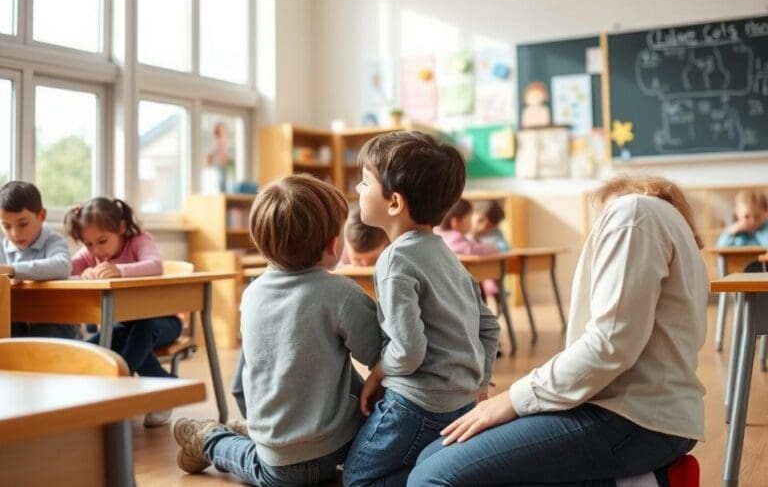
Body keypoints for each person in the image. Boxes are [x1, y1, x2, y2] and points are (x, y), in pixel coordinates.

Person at [407, 175, 707, 486]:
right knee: (431, 458)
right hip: (643, 416)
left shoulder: (632, 213)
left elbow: (610, 344)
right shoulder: (664, 223)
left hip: (635, 418)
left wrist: (513, 398)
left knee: (433, 476)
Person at [172, 174, 382, 486]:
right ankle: (210, 440)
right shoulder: (341, 293)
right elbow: (380, 351)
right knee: (267, 468)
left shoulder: (252, 292)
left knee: (275, 466)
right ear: (333, 244)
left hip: (287, 443)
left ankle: (244, 430)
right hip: (340, 442)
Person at [343, 131, 500, 487]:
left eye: (364, 183)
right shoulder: (445, 253)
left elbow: (409, 352)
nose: (357, 190)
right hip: (461, 401)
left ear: (394, 202)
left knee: (357, 480)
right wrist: (479, 382)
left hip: (415, 406)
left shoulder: (395, 259)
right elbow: (489, 326)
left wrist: (378, 374)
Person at [64, 197, 180, 427]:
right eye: (88, 245)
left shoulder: (139, 240)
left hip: (163, 322)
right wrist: (82, 275)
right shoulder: (91, 253)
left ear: (122, 228)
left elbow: (155, 265)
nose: (96, 250)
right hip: (122, 325)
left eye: (102, 241)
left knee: (141, 331)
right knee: (94, 347)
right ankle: (164, 387)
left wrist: (119, 270)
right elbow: (64, 269)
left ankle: (118, 389)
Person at [0, 180, 75, 338]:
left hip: (53, 320)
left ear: (41, 216)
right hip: (12, 319)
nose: (15, 233)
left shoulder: (53, 241)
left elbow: (63, 266)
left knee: (42, 338)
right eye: (6, 226)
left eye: (23, 224)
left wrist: (12, 270)